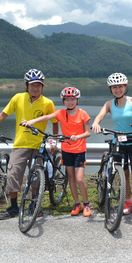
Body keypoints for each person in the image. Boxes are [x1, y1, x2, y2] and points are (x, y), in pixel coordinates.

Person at [0, 69, 58, 220]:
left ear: (43, 86)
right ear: (26, 85)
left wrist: (53, 142)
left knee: (36, 175)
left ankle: (34, 204)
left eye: (38, 85)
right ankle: (14, 207)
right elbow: (3, 114)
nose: (35, 88)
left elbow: (55, 122)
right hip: (20, 143)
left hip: (38, 145)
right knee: (13, 174)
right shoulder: (17, 98)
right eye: (32, 85)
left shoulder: (48, 103)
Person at [21, 87, 92, 217]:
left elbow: (88, 133)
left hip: (80, 150)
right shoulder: (61, 113)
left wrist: (78, 136)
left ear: (77, 100)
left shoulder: (83, 114)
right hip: (66, 150)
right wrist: (32, 121)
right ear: (63, 101)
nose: (70, 102)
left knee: (80, 179)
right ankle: (77, 204)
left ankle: (86, 204)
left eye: (72, 100)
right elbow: (46, 117)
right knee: (70, 177)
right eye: (67, 100)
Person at [91, 73, 132, 223]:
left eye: (120, 86)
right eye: (115, 87)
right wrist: (96, 123)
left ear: (125, 87)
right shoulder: (109, 104)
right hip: (119, 145)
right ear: (111, 89)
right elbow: (100, 115)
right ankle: (128, 202)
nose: (118, 90)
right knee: (124, 176)